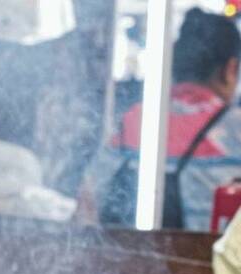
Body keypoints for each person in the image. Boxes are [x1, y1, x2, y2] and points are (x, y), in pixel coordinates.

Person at [80, 8, 241, 231]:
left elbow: (87, 201)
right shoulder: (236, 128)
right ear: (230, 69)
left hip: (129, 260)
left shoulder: (136, 118)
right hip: (207, 263)